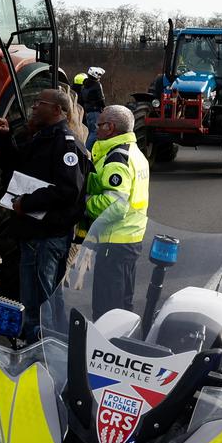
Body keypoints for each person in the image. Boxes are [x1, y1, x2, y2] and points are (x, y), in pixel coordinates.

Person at [0, 90, 87, 340]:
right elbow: (14, 167)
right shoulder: (39, 139)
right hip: (31, 232)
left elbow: (68, 191)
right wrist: (3, 137)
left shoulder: (66, 144)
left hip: (49, 236)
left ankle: (48, 348)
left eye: (39, 103)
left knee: (44, 301)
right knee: (30, 300)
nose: (33, 107)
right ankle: (33, 344)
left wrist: (27, 203)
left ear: (57, 110)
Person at [80, 104, 150, 318]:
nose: (95, 128)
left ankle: (107, 347)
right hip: (130, 239)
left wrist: (83, 203)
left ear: (110, 127)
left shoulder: (116, 159)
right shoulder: (134, 154)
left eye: (98, 124)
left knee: (107, 309)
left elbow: (115, 205)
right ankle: (122, 343)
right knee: (122, 304)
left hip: (114, 242)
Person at [74, 67, 107, 146]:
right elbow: (101, 99)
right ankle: (87, 150)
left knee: (90, 131)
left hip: (88, 112)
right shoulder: (97, 85)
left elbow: (82, 99)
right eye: (99, 75)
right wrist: (104, 108)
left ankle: (87, 147)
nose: (100, 76)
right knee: (95, 132)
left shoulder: (84, 85)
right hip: (95, 111)